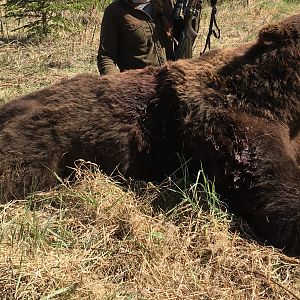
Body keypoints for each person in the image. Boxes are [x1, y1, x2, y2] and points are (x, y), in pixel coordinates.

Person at [97, 0, 183, 75]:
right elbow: (107, 56)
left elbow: (185, 35)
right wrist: (114, 84)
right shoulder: (115, 11)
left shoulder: (168, 4)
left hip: (169, 82)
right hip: (138, 87)